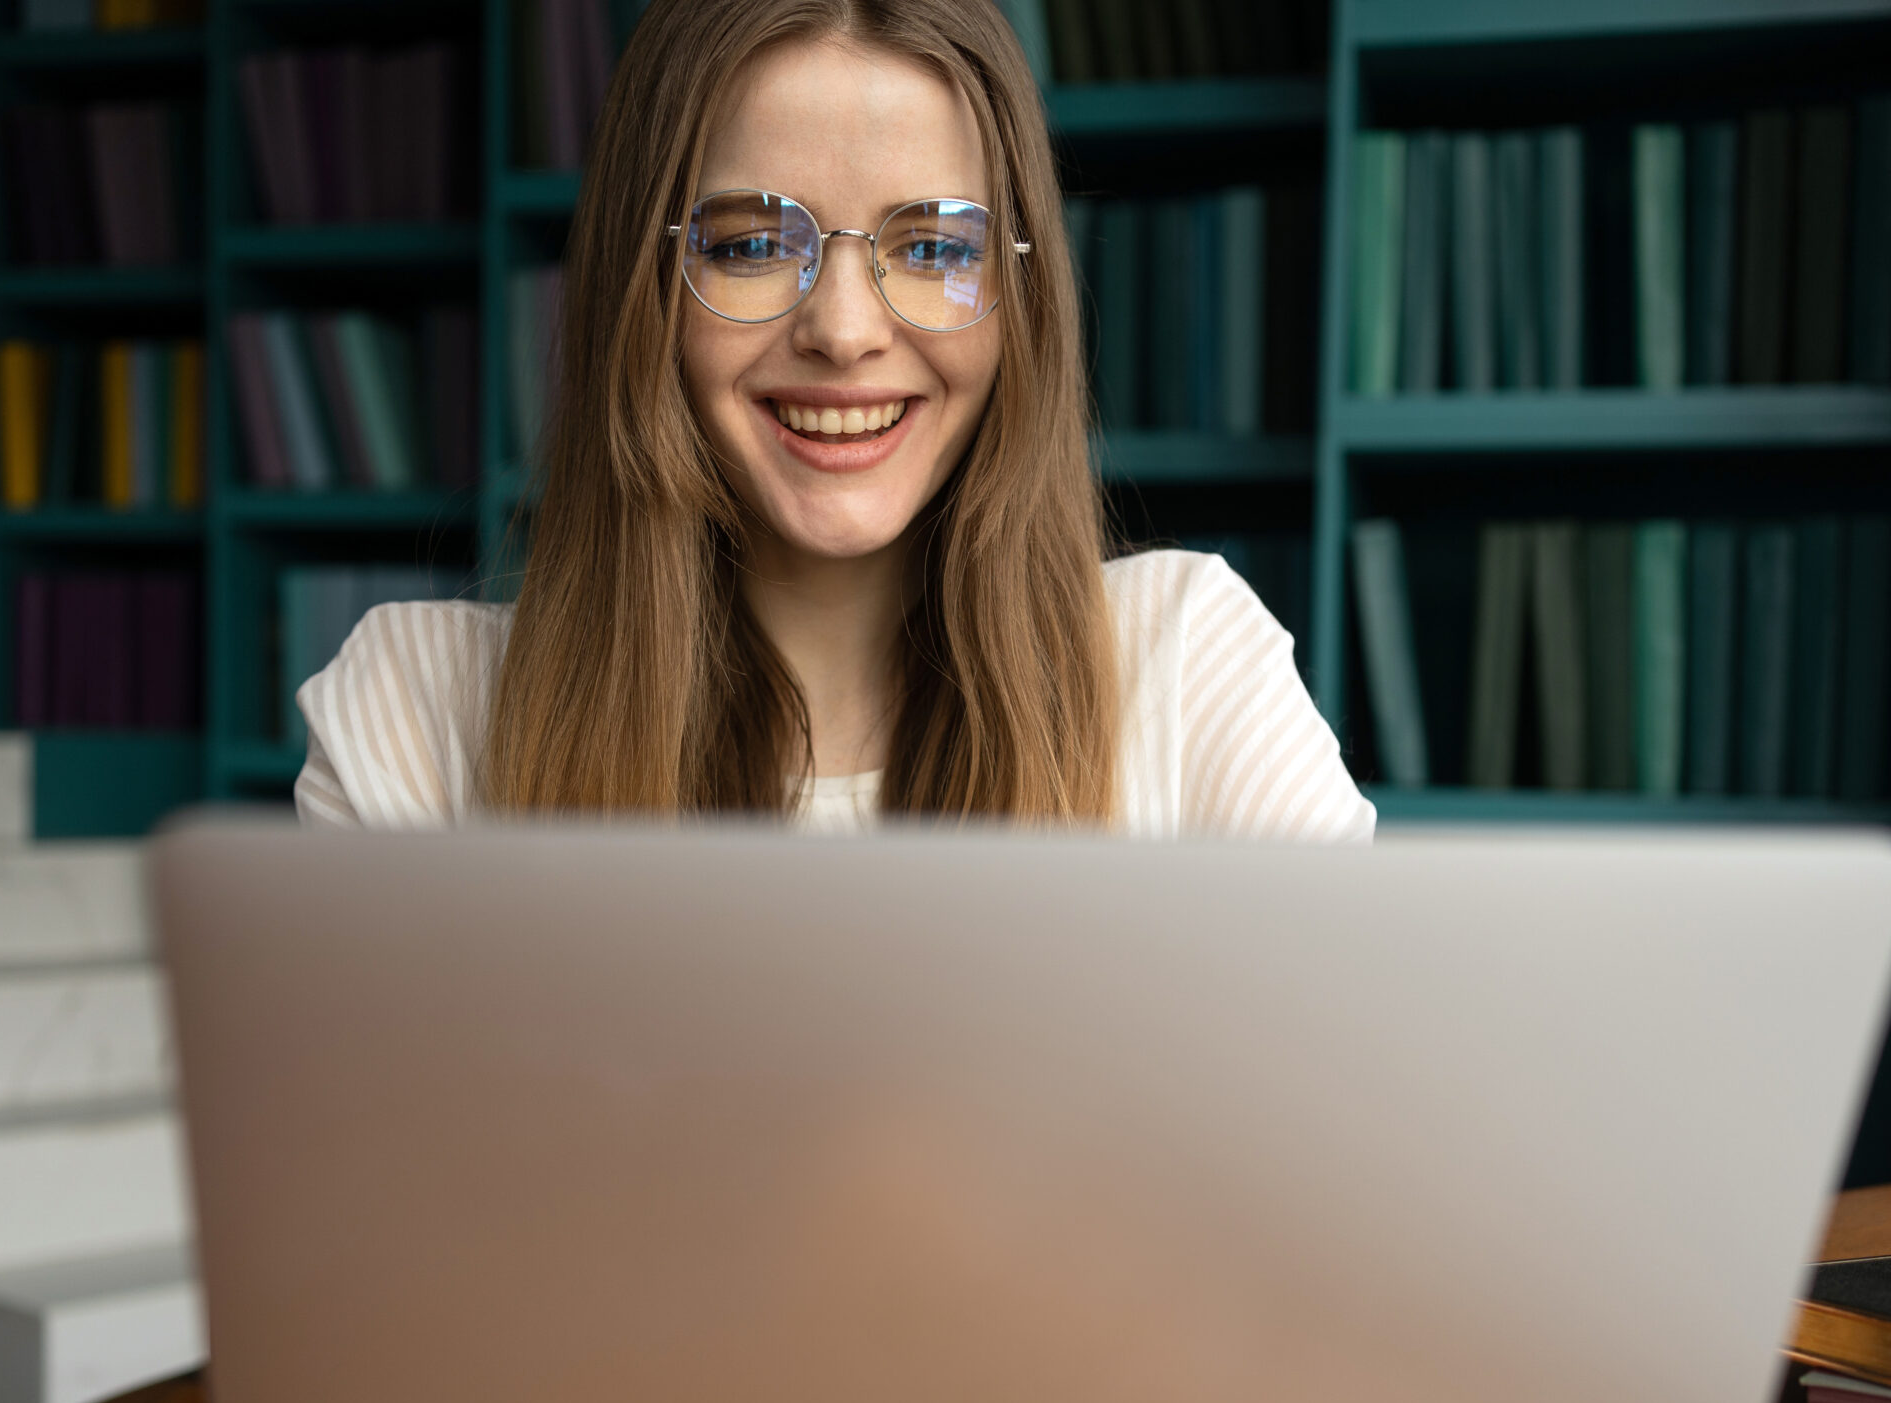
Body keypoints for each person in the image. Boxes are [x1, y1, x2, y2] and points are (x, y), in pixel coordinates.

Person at [297, 0, 1372, 840]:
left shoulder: (1189, 669)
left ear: (1019, 294)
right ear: (644, 282)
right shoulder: (415, 720)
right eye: (753, 244)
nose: (846, 331)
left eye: (936, 246)